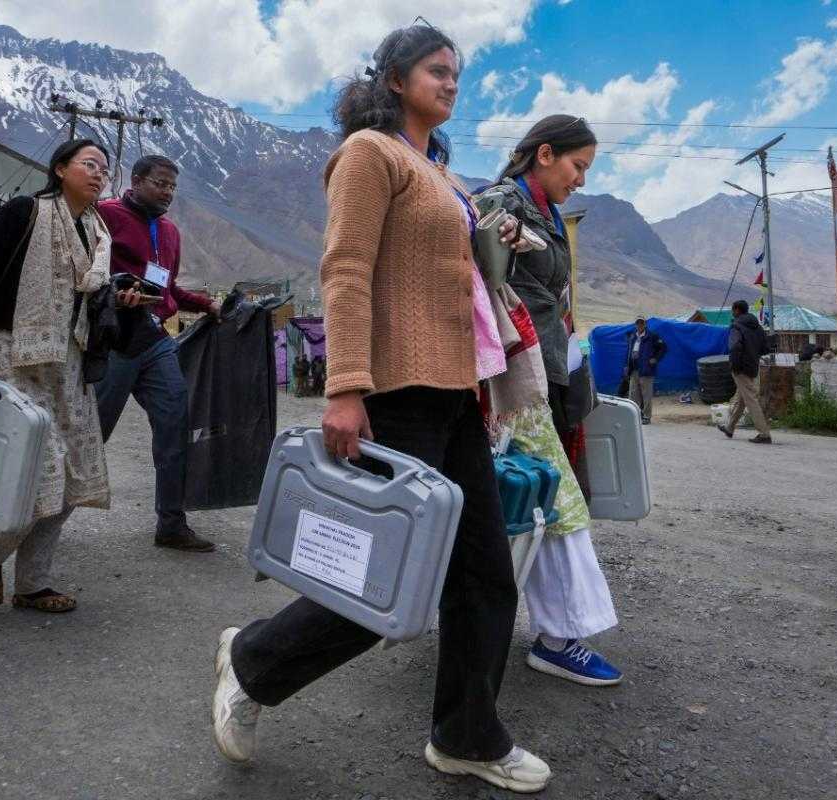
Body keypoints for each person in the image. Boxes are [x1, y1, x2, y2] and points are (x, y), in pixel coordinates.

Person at [211, 24, 552, 793]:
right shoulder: (371, 155)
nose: (451, 82)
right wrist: (345, 387)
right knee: (381, 585)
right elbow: (346, 268)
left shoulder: (443, 174)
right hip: (396, 392)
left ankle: (466, 734)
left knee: (484, 576)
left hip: (457, 393)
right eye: (437, 70)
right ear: (395, 79)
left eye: (457, 73)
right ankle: (251, 663)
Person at [0, 138, 115, 613]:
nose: (100, 174)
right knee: (38, 471)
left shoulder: (97, 233)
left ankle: (33, 583)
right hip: (14, 356)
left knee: (74, 478)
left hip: (70, 366)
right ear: (60, 168)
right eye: (89, 164)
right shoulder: (23, 214)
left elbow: (89, 300)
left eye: (105, 169)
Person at [484, 114, 623, 688]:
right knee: (554, 500)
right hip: (512, 377)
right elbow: (481, 272)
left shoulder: (546, 214)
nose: (581, 180)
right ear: (544, 153)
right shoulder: (499, 203)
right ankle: (559, 637)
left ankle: (531, 627)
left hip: (544, 370)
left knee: (526, 499)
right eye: (577, 165)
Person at [91, 154, 221, 553]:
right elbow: (85, 272)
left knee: (174, 420)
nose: (167, 193)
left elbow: (167, 292)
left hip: (154, 340)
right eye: (160, 183)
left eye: (172, 187)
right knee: (91, 433)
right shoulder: (105, 215)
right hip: (113, 341)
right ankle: (40, 510)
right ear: (137, 180)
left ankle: (171, 522)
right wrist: (112, 292)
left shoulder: (170, 233)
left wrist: (206, 304)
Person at [717, 299, 772, 444]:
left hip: (740, 367)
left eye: (732, 310)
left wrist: (734, 366)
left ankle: (764, 433)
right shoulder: (758, 327)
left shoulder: (736, 327)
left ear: (736, 310)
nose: (732, 312)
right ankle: (729, 428)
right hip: (753, 366)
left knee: (751, 400)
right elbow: (765, 348)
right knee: (743, 397)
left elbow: (734, 347)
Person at [623, 317, 666, 424]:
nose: (639, 325)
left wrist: (655, 359)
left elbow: (663, 348)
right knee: (633, 394)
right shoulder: (633, 336)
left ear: (645, 324)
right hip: (634, 369)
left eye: (641, 323)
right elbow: (629, 351)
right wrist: (626, 365)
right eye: (638, 323)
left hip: (646, 369)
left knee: (646, 395)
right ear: (635, 325)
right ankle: (634, 416)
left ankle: (646, 417)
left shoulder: (652, 336)